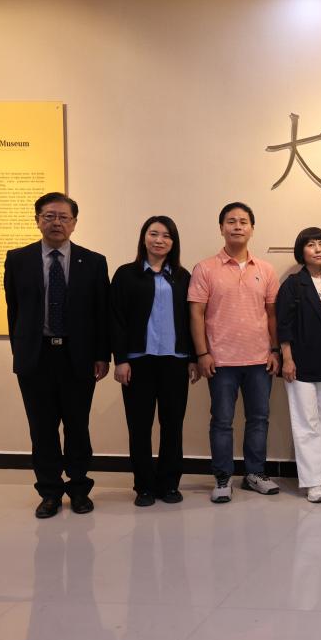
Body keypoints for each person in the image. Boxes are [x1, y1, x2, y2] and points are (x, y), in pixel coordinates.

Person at [4, 192, 110, 518]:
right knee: (42, 429)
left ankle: (79, 489)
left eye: (64, 217)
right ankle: (49, 491)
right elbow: (14, 310)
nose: (56, 222)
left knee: (77, 426)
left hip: (77, 356)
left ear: (74, 223)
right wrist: (21, 352)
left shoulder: (93, 261)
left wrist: (102, 355)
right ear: (37, 220)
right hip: (36, 357)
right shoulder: (18, 259)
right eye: (49, 216)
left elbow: (101, 313)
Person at [188, 202, 281, 504]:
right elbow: (196, 314)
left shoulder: (266, 269)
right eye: (231, 221)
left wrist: (275, 350)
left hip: (259, 360)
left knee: (259, 419)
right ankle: (222, 477)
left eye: (243, 221)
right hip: (221, 361)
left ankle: (255, 474)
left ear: (252, 229)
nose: (237, 226)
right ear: (221, 228)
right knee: (222, 421)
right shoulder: (205, 269)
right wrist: (202, 354)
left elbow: (272, 315)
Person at [110, 216, 200, 507]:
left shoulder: (183, 277)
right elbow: (116, 319)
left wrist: (194, 358)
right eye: (153, 234)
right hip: (138, 361)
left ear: (174, 242)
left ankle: (169, 484)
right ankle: (144, 486)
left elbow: (192, 320)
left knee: (172, 425)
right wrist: (120, 359)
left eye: (166, 236)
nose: (159, 240)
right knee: (139, 426)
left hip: (175, 360)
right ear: (144, 237)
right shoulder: (126, 274)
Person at [276, 227, 321, 503]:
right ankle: (312, 483)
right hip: (299, 365)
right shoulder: (292, 284)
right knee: (306, 423)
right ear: (302, 251)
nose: (318, 249)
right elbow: (283, 325)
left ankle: (319, 475)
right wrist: (287, 359)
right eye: (311, 244)